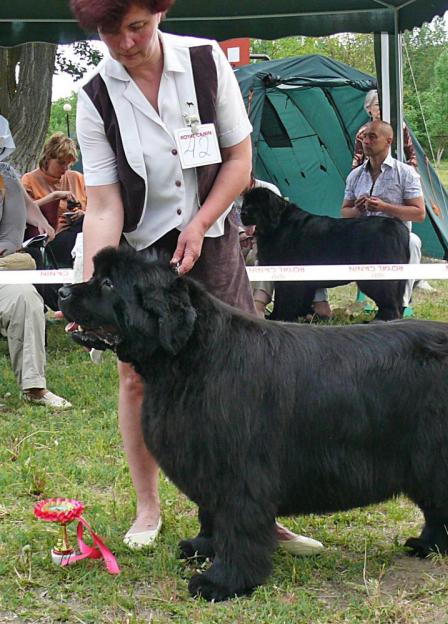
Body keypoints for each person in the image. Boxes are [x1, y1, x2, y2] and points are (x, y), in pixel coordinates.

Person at [69, 0, 322, 555]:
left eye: (136, 27)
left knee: (243, 371)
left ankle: (255, 511)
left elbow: (239, 160)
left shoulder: (206, 63)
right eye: (111, 33)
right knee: (137, 380)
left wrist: (203, 222)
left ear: (158, 14)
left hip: (210, 235)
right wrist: (93, 289)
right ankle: (147, 505)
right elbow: (105, 203)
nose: (126, 43)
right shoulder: (94, 97)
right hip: (141, 249)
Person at [0, 115, 71, 409]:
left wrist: (41, 221)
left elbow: (25, 202)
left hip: (5, 268)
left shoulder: (6, 174)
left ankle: (34, 388)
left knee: (26, 298)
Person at [342, 120, 426, 309]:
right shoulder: (355, 176)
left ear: (388, 141)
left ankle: (401, 304)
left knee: (413, 243)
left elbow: (419, 213)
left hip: (395, 235)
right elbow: (345, 212)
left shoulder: (406, 173)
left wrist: (385, 207)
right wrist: (358, 210)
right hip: (362, 234)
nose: (366, 141)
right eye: (364, 137)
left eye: (372, 137)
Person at [232, 175, 332, 318]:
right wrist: (241, 234)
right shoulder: (226, 191)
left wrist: (256, 237)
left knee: (262, 258)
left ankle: (258, 305)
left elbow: (278, 227)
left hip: (268, 242)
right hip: (237, 240)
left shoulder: (269, 191)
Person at [22, 132, 87, 268]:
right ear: (48, 158)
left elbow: (96, 208)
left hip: (80, 229)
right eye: (61, 163)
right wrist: (54, 196)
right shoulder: (29, 180)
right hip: (53, 237)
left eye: (68, 164)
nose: (65, 169)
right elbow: (24, 209)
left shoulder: (77, 177)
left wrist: (82, 213)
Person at [352, 90, 417, 169]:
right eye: (377, 104)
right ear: (369, 108)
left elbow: (411, 155)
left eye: (383, 104)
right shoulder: (363, 132)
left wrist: (409, 173)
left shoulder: (399, 127)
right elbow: (357, 162)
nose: (381, 108)